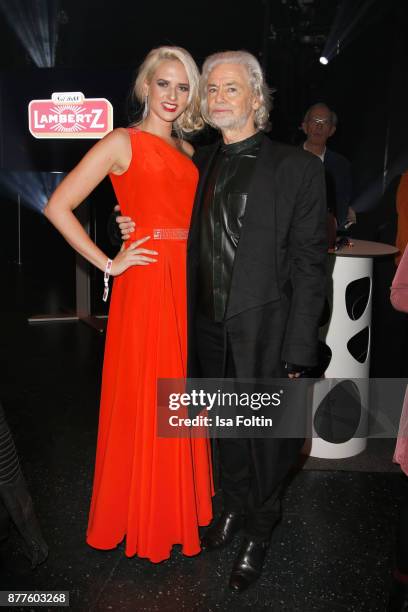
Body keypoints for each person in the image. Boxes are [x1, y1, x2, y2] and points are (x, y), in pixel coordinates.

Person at [116, 50, 327, 591]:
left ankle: (260, 528)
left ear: (257, 98)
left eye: (230, 88)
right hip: (205, 325)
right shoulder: (196, 160)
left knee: (268, 438)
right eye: (210, 90)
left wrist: (301, 345)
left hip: (266, 327)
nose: (216, 98)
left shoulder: (298, 167)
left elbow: (310, 263)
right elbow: (159, 207)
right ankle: (232, 508)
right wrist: (127, 223)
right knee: (223, 430)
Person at [44, 46, 213, 563]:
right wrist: (109, 262)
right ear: (145, 86)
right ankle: (146, 515)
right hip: (145, 281)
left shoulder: (188, 151)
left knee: (179, 395)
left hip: (187, 281)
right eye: (164, 84)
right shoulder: (121, 140)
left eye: (183, 87)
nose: (172, 96)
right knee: (149, 393)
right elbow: (58, 206)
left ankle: (173, 505)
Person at [301, 102, 354, 228]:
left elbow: (342, 207)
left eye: (324, 122)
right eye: (315, 120)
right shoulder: (287, 161)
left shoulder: (341, 166)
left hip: (328, 239)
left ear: (332, 130)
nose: (319, 126)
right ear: (304, 126)